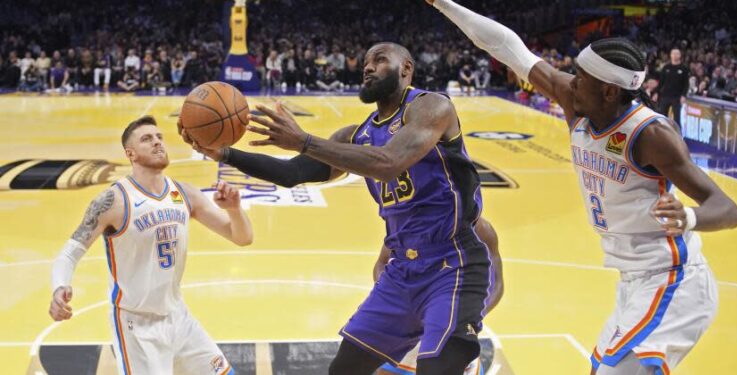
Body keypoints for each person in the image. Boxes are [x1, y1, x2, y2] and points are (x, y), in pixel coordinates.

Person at [426, 1, 737, 374]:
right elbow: (508, 48)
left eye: (580, 78)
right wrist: (445, 3)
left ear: (609, 92)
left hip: (674, 281)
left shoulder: (651, 135)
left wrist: (689, 216)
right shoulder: (578, 104)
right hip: (633, 282)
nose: (569, 82)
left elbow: (727, 208)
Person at [182, 42, 497, 375]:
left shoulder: (431, 107)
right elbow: (294, 172)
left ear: (406, 69)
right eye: (365, 62)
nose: (368, 67)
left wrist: (305, 140)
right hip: (402, 271)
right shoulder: (357, 136)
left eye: (379, 60)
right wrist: (224, 155)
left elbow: (388, 163)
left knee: (438, 369)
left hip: (452, 264)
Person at [48, 115, 253, 375]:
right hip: (137, 327)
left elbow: (242, 237)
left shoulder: (184, 193)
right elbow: (69, 253)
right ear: (130, 153)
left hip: (178, 316)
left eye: (159, 137)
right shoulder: (114, 201)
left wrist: (234, 209)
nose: (157, 143)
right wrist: (59, 288)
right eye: (147, 139)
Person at [377, 217, 503, 375]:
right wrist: (393, 297)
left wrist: (473, 315)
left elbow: (497, 282)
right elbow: (381, 263)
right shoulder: (410, 221)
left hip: (454, 323)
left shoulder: (482, 230)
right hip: (412, 321)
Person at [656, 48, 689, 127]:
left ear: (680, 55)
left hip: (677, 97)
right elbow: (661, 82)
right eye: (673, 54)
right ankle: (663, 134)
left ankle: (678, 136)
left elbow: (686, 84)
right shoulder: (666, 67)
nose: (674, 55)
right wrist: (657, 93)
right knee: (662, 117)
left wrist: (683, 95)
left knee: (677, 118)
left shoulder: (684, 68)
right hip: (665, 96)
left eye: (676, 54)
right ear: (670, 55)